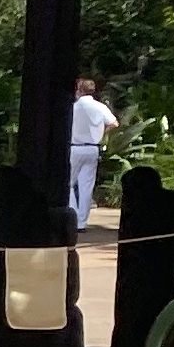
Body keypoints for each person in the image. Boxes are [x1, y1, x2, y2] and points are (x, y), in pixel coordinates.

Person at [65, 75, 118, 231]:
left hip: (75, 147)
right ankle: (82, 222)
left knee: (68, 183)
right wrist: (101, 132)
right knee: (86, 186)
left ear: (80, 90)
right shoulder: (100, 107)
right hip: (93, 147)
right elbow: (114, 123)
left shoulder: (73, 107)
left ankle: (73, 217)